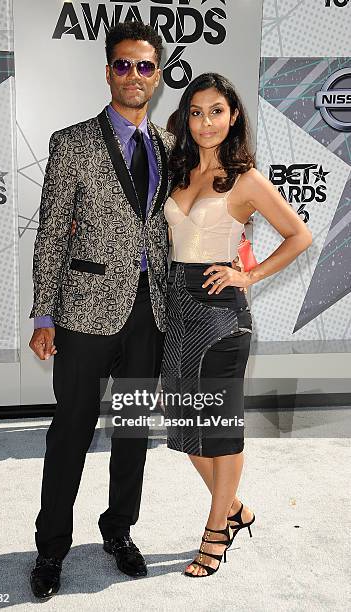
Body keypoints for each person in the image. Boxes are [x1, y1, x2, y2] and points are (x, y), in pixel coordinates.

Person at [28, 22, 174, 599]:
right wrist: (44, 314)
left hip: (150, 313)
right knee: (70, 432)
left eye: (144, 66)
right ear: (108, 70)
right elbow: (49, 237)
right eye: (123, 65)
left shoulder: (169, 146)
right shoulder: (72, 142)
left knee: (133, 430)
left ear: (157, 74)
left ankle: (118, 531)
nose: (133, 75)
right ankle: (50, 550)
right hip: (84, 310)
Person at [161, 72, 312, 578]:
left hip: (222, 318)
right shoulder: (177, 170)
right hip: (178, 316)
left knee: (220, 431)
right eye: (197, 112)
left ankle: (214, 532)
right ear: (186, 118)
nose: (206, 122)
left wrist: (247, 274)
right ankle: (237, 510)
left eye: (216, 111)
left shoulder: (245, 178)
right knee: (184, 427)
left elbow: (299, 236)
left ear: (234, 116)